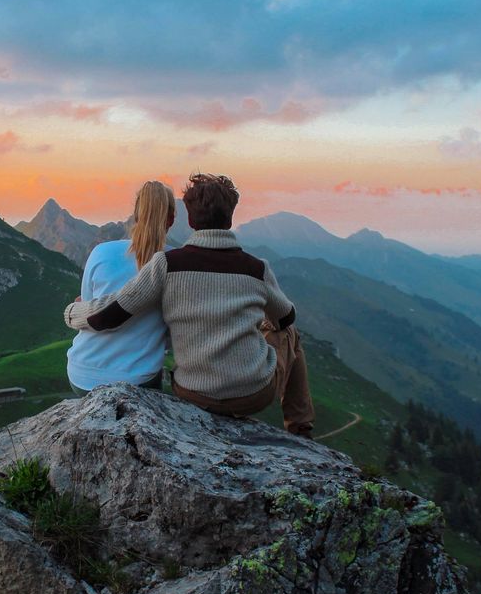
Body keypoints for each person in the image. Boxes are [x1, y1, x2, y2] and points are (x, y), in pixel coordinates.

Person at [63, 173, 315, 437]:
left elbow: (112, 313)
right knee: (291, 334)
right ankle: (301, 428)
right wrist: (258, 323)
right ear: (230, 217)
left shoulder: (167, 264)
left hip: (192, 393)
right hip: (252, 395)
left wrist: (73, 311)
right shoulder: (257, 268)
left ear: (190, 219)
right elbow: (286, 317)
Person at [65, 180, 175, 396]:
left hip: (82, 375)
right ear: (171, 219)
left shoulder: (101, 252)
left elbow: (88, 305)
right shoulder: (176, 262)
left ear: (135, 215)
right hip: (138, 379)